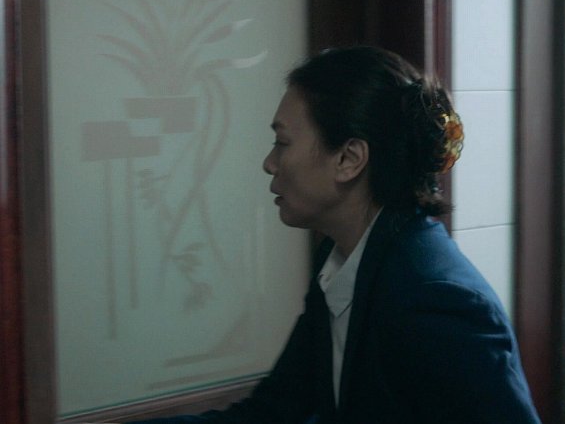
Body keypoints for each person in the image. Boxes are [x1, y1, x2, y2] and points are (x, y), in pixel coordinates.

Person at [129, 46, 541, 423]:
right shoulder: (340, 260)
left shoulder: (435, 300)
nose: (270, 163)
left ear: (348, 159)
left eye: (282, 142)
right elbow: (274, 414)